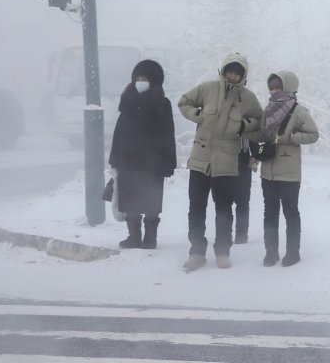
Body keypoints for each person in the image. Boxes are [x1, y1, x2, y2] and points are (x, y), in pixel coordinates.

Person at [178, 53, 262, 271]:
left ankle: (223, 251)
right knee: (196, 208)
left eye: (237, 73)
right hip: (200, 160)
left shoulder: (248, 98)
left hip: (226, 163)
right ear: (223, 70)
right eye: (229, 71)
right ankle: (197, 251)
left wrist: (243, 126)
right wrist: (198, 115)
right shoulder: (207, 89)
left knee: (224, 209)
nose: (232, 76)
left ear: (243, 76)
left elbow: (260, 123)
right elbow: (184, 102)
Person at [246, 71, 319, 267]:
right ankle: (271, 252)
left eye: (279, 87)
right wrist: (246, 131)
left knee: (290, 211)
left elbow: (313, 135)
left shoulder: (299, 111)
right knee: (269, 212)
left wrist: (291, 137)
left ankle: (293, 253)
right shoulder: (268, 110)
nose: (275, 91)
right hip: (268, 170)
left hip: (289, 171)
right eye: (272, 87)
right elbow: (262, 135)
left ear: (288, 87)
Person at [108, 59, 177, 250]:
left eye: (144, 78)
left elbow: (168, 133)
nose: (140, 82)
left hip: (153, 161)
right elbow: (119, 131)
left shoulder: (162, 104)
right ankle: (133, 236)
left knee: (151, 199)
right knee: (130, 198)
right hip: (128, 160)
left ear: (154, 81)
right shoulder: (127, 100)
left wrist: (169, 161)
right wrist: (115, 158)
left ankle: (150, 237)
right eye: (138, 78)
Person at [232, 140, 254, 244]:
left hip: (244, 160)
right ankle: (224, 233)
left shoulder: (249, 125)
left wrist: (256, 157)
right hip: (225, 158)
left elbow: (260, 145)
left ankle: (241, 234)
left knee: (243, 201)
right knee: (223, 202)